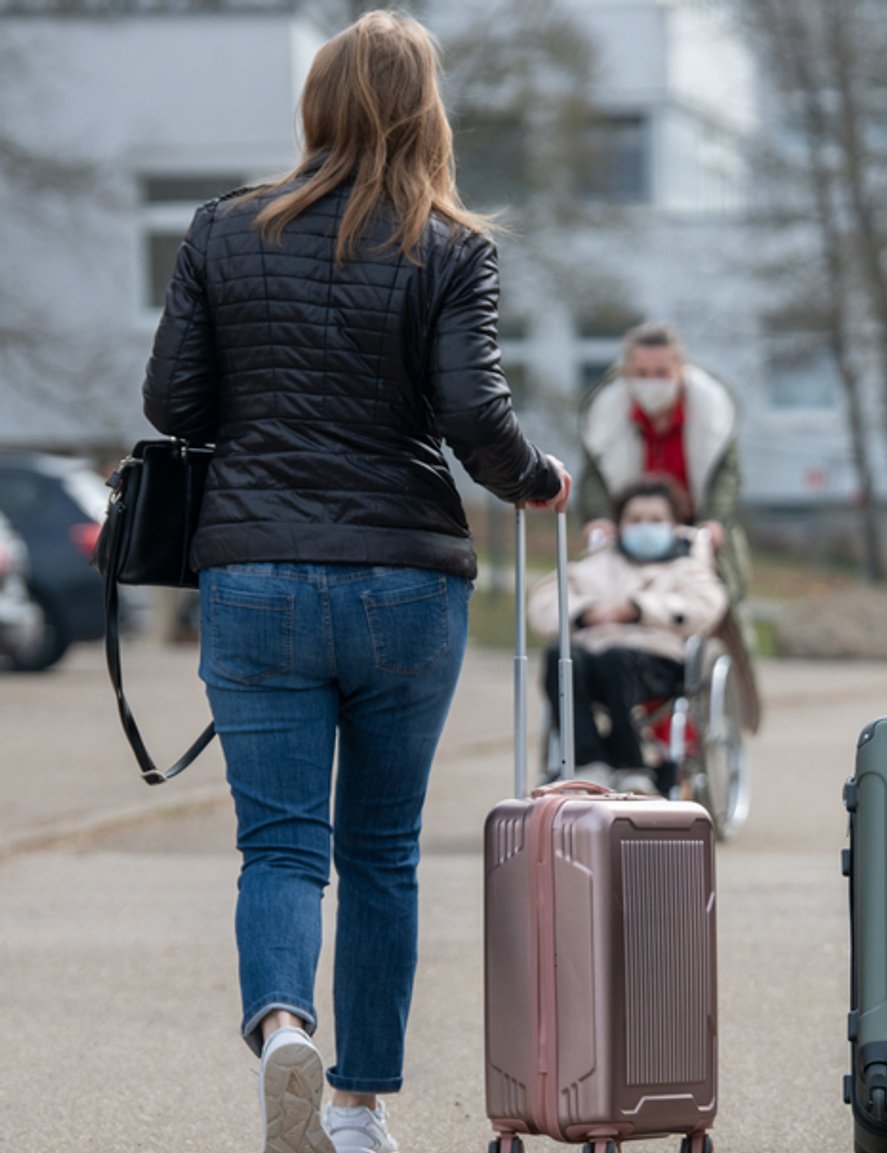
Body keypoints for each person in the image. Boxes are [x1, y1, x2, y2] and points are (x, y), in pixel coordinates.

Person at [140, 11, 571, 1153]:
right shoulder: (449, 245)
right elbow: (476, 415)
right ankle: (356, 1106)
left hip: (256, 576)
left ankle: (285, 1025)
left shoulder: (220, 230)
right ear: (426, 111)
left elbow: (172, 406)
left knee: (282, 847)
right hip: (402, 583)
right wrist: (536, 479)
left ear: (316, 105)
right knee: (381, 850)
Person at [528, 475, 728, 795]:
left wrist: (638, 609)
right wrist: (584, 611)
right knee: (560, 657)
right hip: (591, 655)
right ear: (619, 524)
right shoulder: (599, 563)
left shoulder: (687, 568)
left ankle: (633, 764)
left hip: (657, 660)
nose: (643, 526)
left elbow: (707, 606)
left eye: (655, 520)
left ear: (674, 525)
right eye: (634, 519)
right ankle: (588, 762)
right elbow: (544, 601)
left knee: (615, 659)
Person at [579, 322, 750, 599]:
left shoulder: (714, 416)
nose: (651, 382)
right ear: (627, 372)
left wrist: (714, 520)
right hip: (630, 536)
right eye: (641, 373)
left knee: (721, 606)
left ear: (680, 369)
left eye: (661, 373)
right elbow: (594, 476)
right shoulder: (605, 419)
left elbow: (726, 476)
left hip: (696, 535)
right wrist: (600, 519)